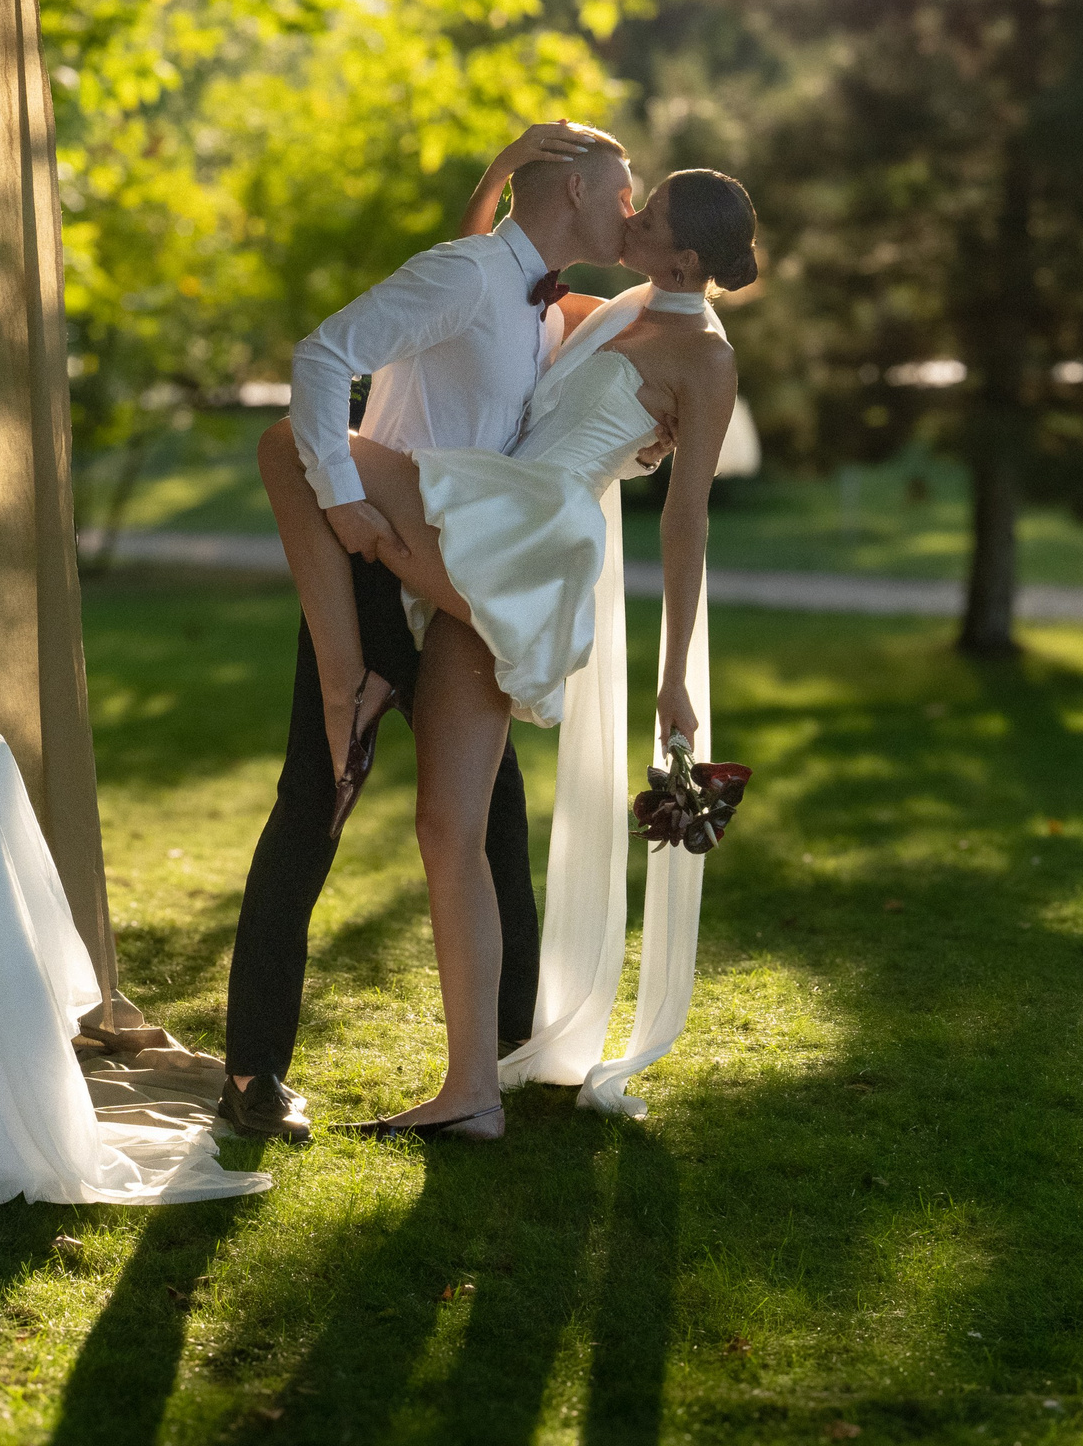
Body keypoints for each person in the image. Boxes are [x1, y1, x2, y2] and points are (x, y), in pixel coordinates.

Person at [257, 163, 758, 1139]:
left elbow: (686, 521)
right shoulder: (613, 302)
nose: (627, 215)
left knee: (297, 447)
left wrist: (674, 681)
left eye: (645, 216)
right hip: (492, 519)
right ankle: (471, 1094)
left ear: (685, 255)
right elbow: (480, 270)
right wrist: (505, 166)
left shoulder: (706, 361)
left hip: (531, 529)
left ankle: (343, 680)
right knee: (447, 828)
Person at [216, 121, 635, 1144]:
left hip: (465, 595)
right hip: (373, 573)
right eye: (624, 192)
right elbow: (322, 356)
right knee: (310, 806)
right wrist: (342, 500)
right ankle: (253, 1074)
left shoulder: (542, 303)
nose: (633, 210)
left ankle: (505, 1056)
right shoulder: (464, 273)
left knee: (491, 823)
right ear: (574, 189)